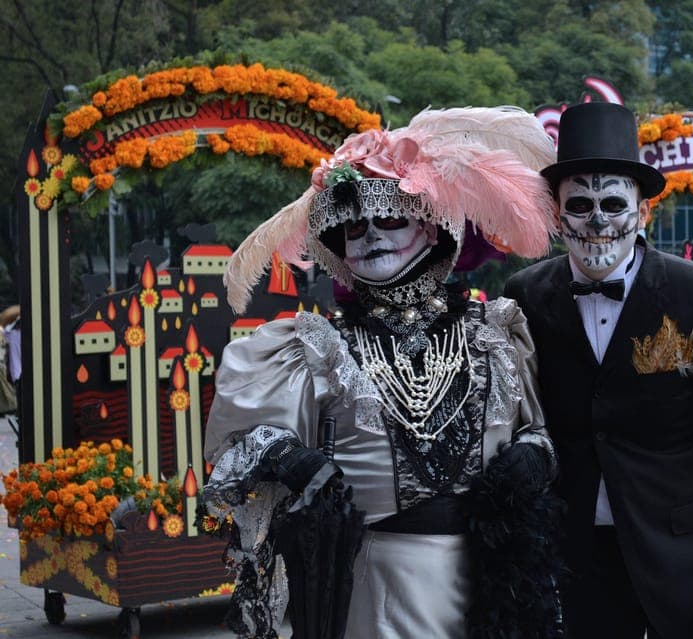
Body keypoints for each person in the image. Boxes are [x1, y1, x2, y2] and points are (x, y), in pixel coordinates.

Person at [202, 107, 561, 639]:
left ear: (428, 227)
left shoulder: (495, 332)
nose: (371, 236)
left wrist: (532, 455)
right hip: (375, 590)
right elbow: (237, 444)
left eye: (390, 218)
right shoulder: (316, 348)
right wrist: (289, 457)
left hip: (492, 582)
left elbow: (537, 428)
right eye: (351, 227)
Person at [504, 102, 693, 638]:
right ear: (556, 214)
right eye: (579, 204)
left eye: (612, 203)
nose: (596, 220)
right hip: (578, 556)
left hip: (687, 555)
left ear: (640, 213)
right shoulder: (526, 296)